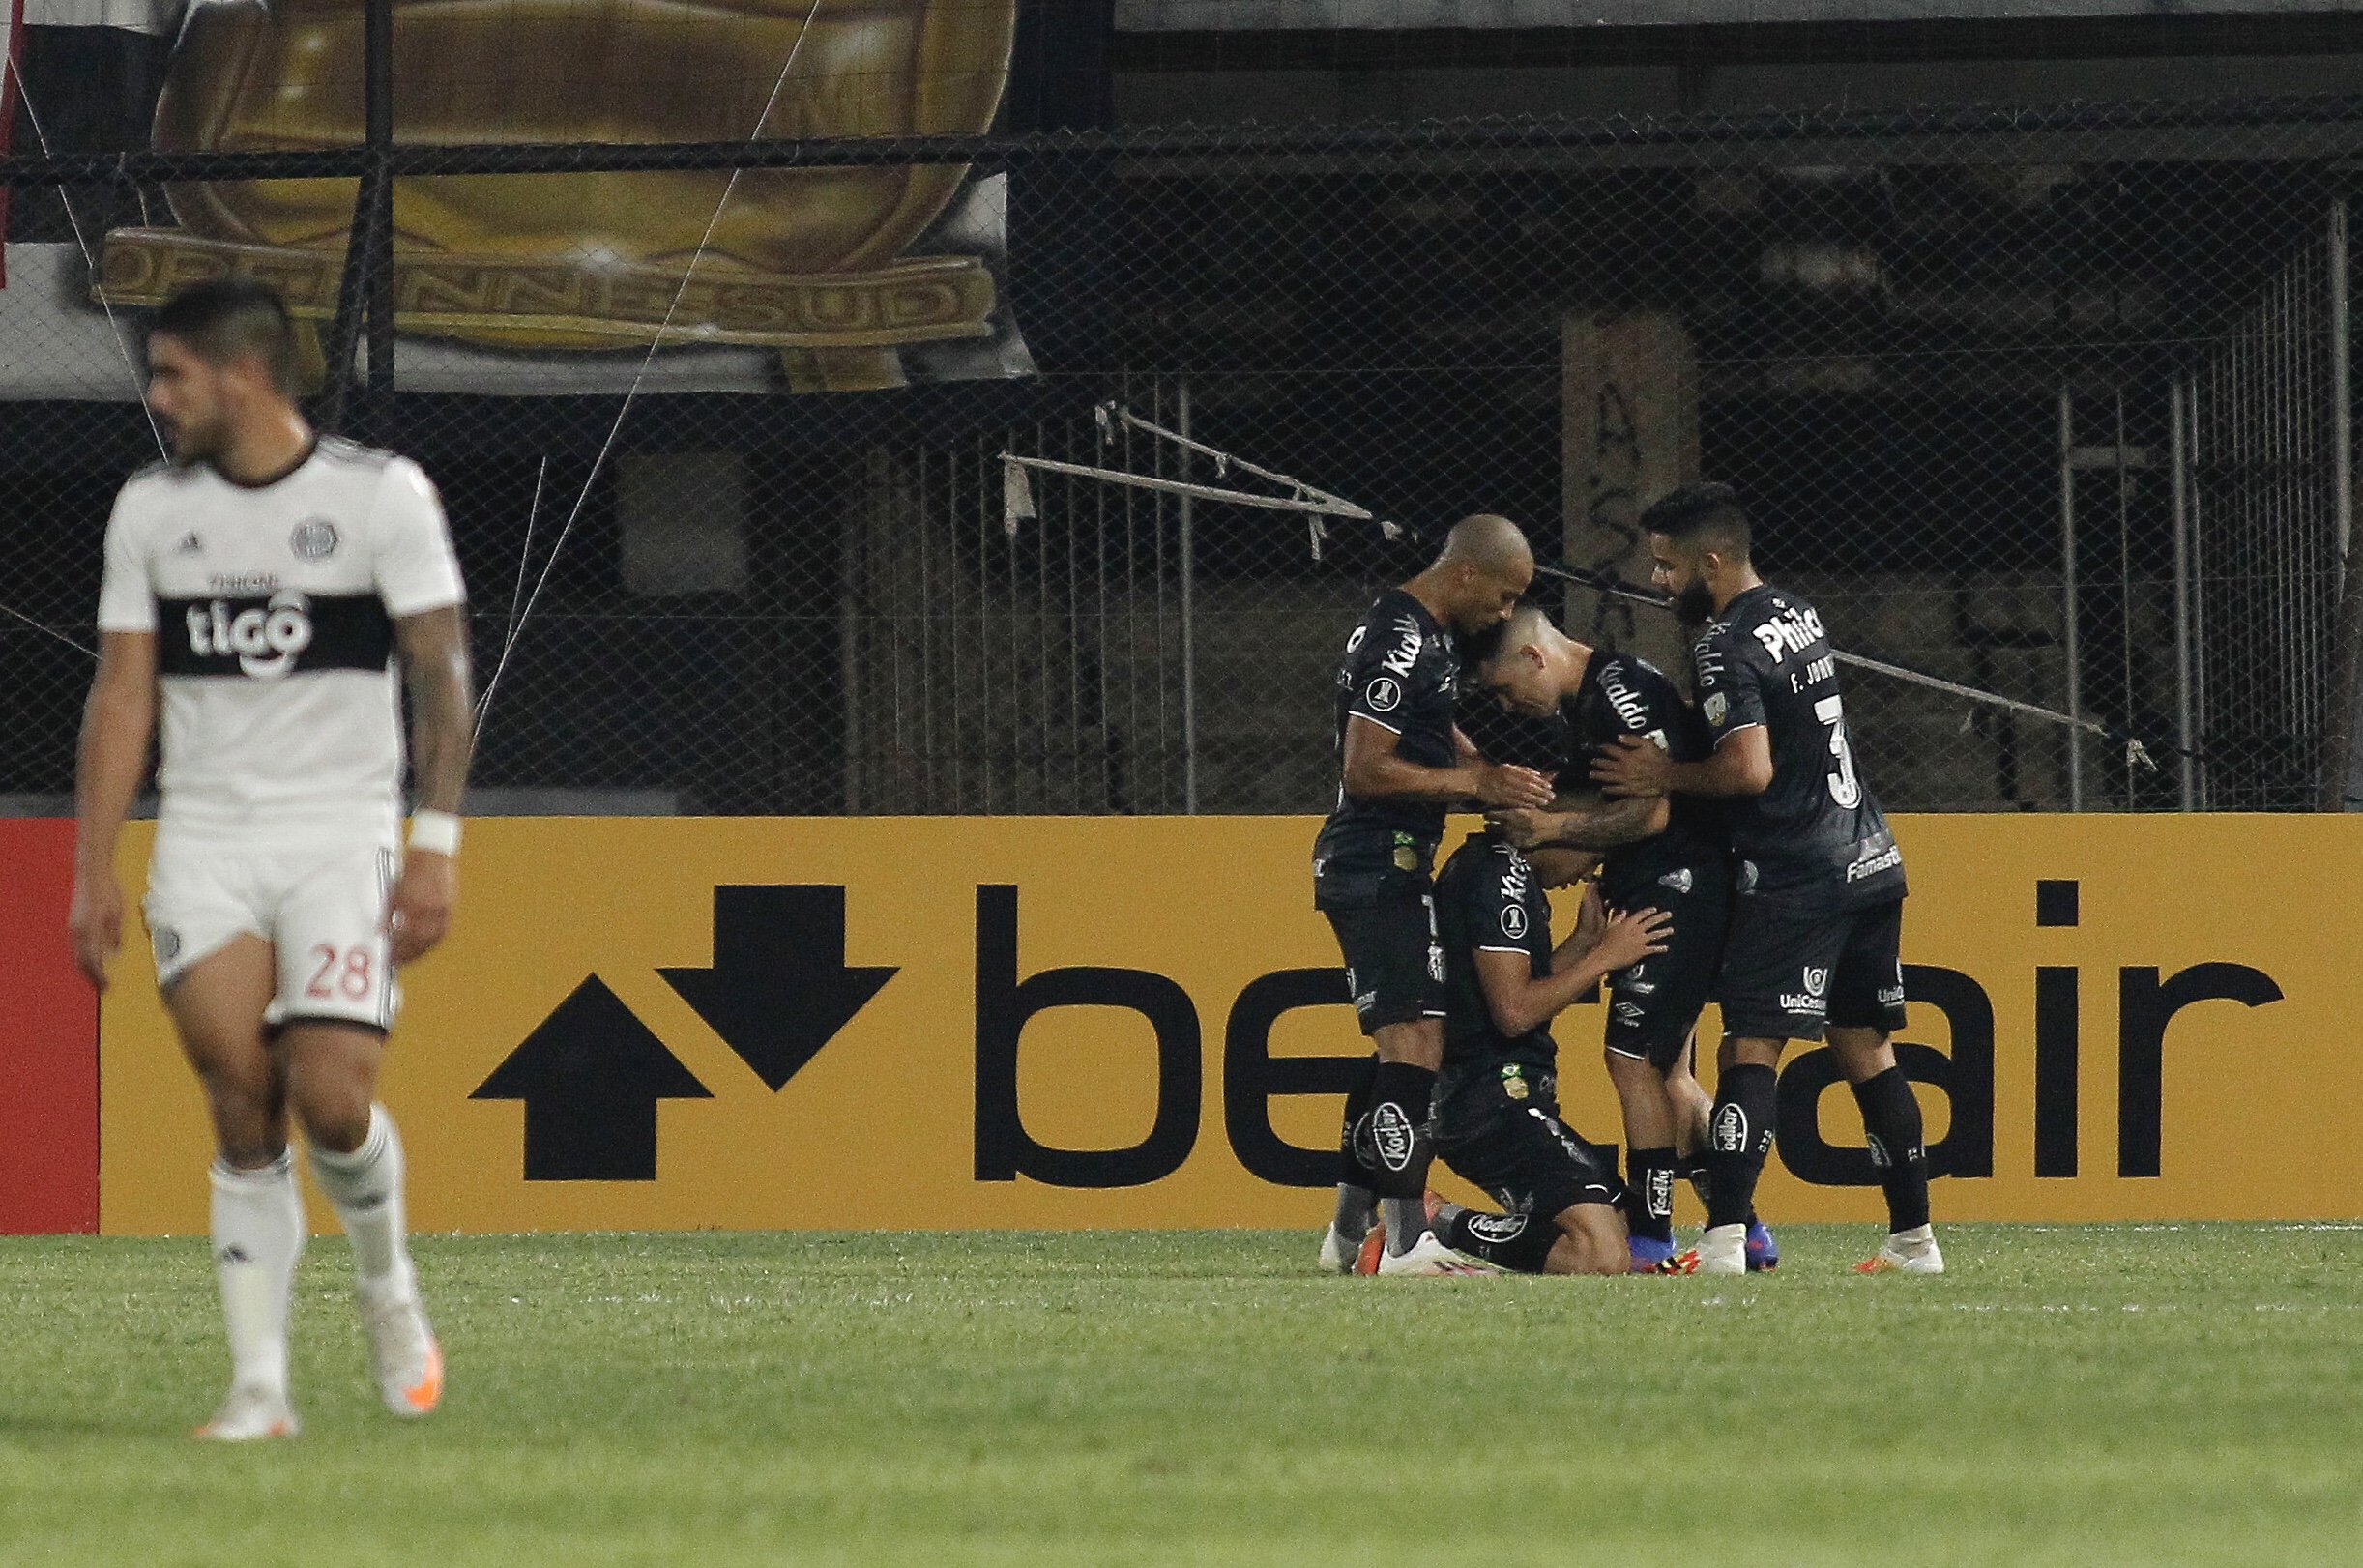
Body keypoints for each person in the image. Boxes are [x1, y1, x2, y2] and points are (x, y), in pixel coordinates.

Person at [68, 278, 475, 1438]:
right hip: (208, 836)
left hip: (339, 831)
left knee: (331, 1097)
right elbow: (125, 689)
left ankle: (386, 1284)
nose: (158, 397)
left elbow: (442, 677)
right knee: (240, 1100)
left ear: (241, 375)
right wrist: (94, 867)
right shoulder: (152, 510)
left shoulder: (376, 496)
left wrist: (431, 847)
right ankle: (260, 1390)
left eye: (173, 375)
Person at [1591, 483, 1940, 1278]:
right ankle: (1914, 1241)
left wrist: (1665, 772)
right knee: (1868, 1051)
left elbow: (1748, 770)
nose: (1659, 583)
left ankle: (1722, 1243)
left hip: (1798, 871)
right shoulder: (1795, 612)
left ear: (1712, 562)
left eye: (1669, 567)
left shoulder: (1722, 643)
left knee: (1750, 1049)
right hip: (1870, 855)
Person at [1468, 602, 1776, 1272]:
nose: (1508, 706)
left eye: (1502, 689)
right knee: (1667, 1072)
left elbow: (1649, 811)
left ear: (1533, 657)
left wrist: (1548, 830)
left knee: (1629, 1060)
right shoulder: (1588, 706)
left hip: (1679, 889)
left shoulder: (1617, 691)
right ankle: (1745, 1229)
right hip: (1668, 885)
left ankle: (1652, 1237)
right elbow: (1598, 828)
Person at [1311, 514, 1555, 1276]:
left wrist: (1484, 769)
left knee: (1399, 1047)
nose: (1507, 614)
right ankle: (1407, 1239)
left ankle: (1349, 1236)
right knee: (1415, 1043)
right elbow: (1365, 768)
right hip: (1372, 863)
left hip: (1396, 863)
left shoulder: (1425, 636)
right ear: (1467, 574)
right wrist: (1475, 783)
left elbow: (1426, 725)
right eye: (1506, 595)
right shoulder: (1402, 638)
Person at [1401, 831, 1672, 1275]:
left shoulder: (1499, 868)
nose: (1588, 872)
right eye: (1593, 854)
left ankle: (1444, 1221)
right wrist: (1604, 956)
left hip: (1505, 1096)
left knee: (1624, 1234)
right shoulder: (1497, 876)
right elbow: (1514, 1011)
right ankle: (1438, 1219)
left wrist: (1586, 942)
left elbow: (1516, 992)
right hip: (1487, 1103)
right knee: (1601, 1256)